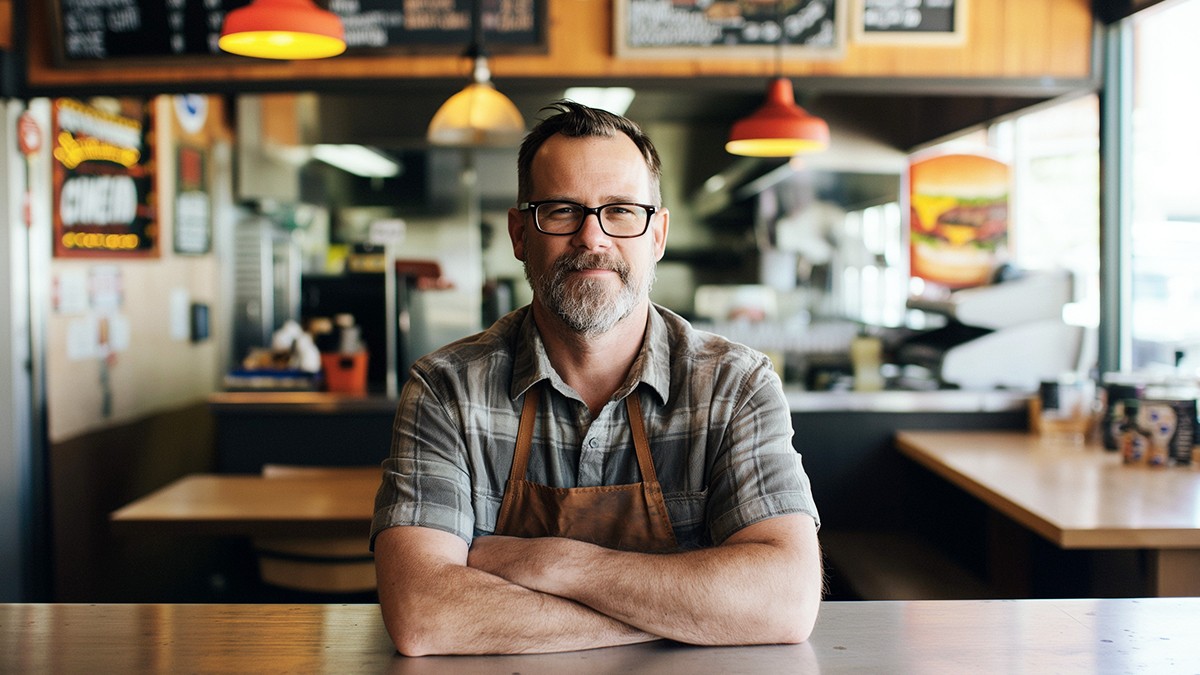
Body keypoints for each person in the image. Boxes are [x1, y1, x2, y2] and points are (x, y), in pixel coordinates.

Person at [371, 100, 822, 656]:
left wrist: (553, 562)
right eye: (561, 211)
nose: (593, 238)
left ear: (657, 235)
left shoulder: (735, 386)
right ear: (519, 234)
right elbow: (424, 615)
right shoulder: (446, 389)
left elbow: (784, 601)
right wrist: (696, 610)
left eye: (621, 211)